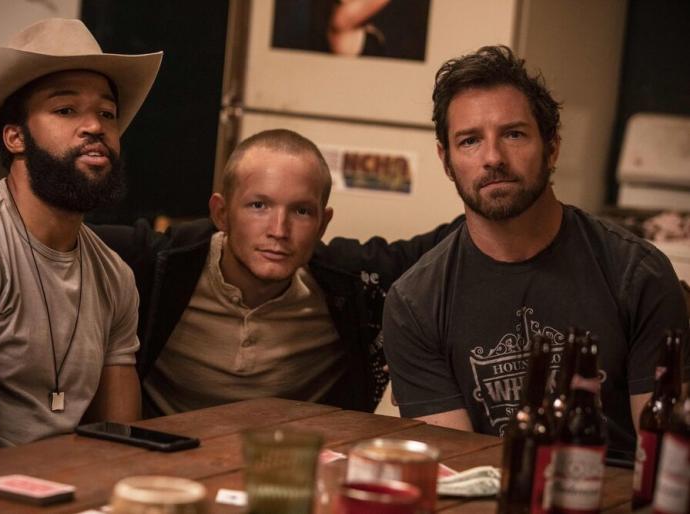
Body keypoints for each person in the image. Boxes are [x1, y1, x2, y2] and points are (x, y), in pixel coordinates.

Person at [382, 45, 689, 453]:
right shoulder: (415, 303)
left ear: (552, 147)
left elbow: (663, 459)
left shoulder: (639, 275)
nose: (493, 158)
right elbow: (457, 465)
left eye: (514, 134)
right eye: (470, 141)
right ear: (446, 160)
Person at [0, 18, 162, 459]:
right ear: (15, 137)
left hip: (75, 482)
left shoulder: (115, 276)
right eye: (66, 110)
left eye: (107, 113)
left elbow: (122, 439)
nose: (95, 127)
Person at [93, 128, 463, 416]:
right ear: (221, 213)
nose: (279, 230)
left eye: (301, 211)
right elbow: (65, 230)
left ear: (322, 224)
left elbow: (461, 238)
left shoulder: (352, 285)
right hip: (165, 474)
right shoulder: (156, 265)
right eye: (259, 206)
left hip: (292, 472)